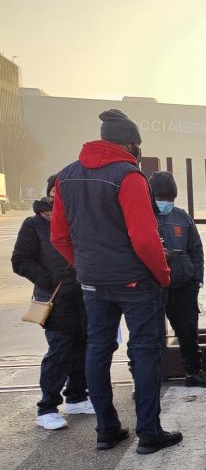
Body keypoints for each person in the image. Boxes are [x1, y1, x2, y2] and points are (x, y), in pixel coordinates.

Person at [50, 109, 182, 454]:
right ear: (130, 143)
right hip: (135, 281)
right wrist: (162, 274)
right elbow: (144, 237)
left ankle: (106, 430)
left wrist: (86, 266)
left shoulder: (66, 176)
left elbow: (59, 236)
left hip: (93, 282)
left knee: (98, 349)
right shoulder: (129, 176)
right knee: (145, 351)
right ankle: (149, 432)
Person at [12, 175, 94, 430]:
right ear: (48, 194)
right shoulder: (34, 224)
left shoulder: (79, 218)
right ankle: (47, 407)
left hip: (84, 295)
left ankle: (77, 396)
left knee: (83, 348)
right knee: (60, 351)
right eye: (55, 193)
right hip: (56, 298)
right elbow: (20, 261)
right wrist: (47, 279)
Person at [149, 171, 206, 388]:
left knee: (188, 332)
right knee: (148, 335)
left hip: (183, 285)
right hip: (151, 287)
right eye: (161, 198)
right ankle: (146, 380)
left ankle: (194, 373)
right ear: (151, 196)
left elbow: (196, 250)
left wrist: (196, 279)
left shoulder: (182, 217)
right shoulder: (142, 217)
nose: (166, 203)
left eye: (170, 198)